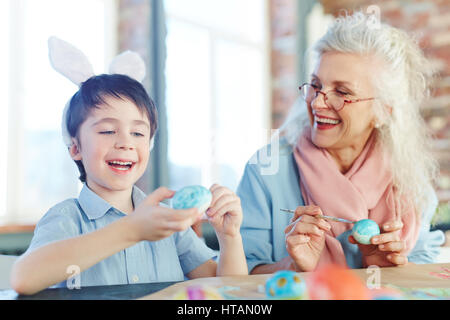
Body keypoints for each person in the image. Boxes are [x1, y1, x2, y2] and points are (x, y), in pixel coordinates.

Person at [10, 38, 247, 295]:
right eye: (108, 130)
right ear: (75, 147)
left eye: (137, 133)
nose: (125, 143)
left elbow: (227, 291)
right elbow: (23, 278)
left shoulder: (167, 223)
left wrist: (229, 238)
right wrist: (131, 229)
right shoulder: (66, 219)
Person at [237, 12, 445, 274]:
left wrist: (383, 269)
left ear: (383, 111)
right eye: (315, 85)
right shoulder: (266, 171)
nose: (317, 102)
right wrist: (293, 266)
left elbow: (423, 270)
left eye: (342, 92)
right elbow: (237, 275)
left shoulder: (411, 184)